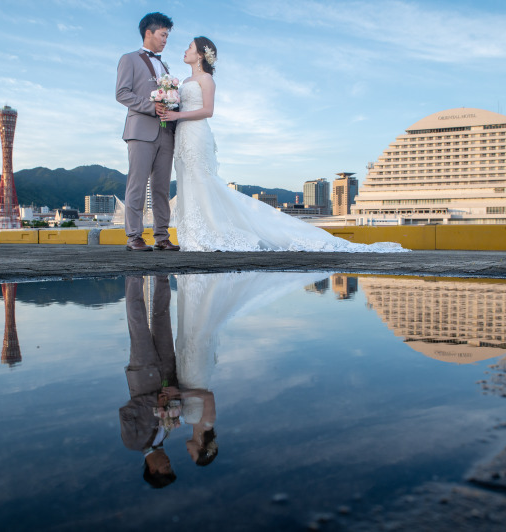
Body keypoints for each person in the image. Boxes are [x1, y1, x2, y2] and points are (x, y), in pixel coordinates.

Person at [159, 38, 408, 252]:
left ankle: (211, 235)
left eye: (189, 47)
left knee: (203, 181)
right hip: (182, 134)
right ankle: (193, 237)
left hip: (196, 133)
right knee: (187, 181)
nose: (185, 50)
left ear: (201, 54)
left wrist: (177, 115)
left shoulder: (206, 80)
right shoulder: (184, 81)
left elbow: (208, 111)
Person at [115, 12, 180, 252]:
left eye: (167, 35)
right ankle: (134, 236)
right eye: (163, 34)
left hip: (166, 132)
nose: (165, 39)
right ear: (149, 33)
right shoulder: (129, 59)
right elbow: (122, 93)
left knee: (162, 188)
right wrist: (150, 107)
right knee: (137, 184)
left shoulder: (164, 65)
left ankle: (162, 236)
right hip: (141, 130)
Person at [119, 276, 180, 488]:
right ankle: (161, 275)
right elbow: (171, 402)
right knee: (163, 317)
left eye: (165, 468)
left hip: (143, 373)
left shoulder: (133, 442)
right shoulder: (167, 433)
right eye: (170, 466)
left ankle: (135, 275)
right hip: (166, 372)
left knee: (137, 320)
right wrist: (173, 396)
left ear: (152, 469)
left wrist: (155, 402)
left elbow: (126, 412)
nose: (168, 463)